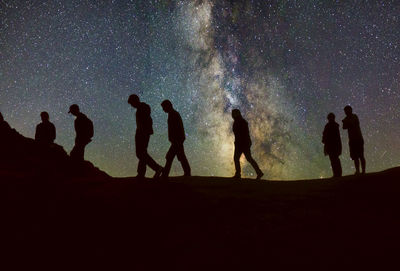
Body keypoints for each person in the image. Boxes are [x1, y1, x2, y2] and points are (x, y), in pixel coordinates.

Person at [128, 94, 163, 179]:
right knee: (142, 153)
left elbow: (147, 121)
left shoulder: (143, 107)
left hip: (143, 133)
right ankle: (141, 173)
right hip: (142, 133)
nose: (132, 106)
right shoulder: (142, 108)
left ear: (135, 101)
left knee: (141, 153)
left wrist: (143, 132)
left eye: (132, 103)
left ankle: (157, 168)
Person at [160, 100, 191, 178]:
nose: (163, 109)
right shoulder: (172, 114)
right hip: (177, 141)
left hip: (177, 141)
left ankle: (165, 174)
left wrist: (178, 140)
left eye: (164, 107)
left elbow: (179, 128)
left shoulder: (174, 114)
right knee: (179, 156)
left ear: (168, 106)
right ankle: (187, 173)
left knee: (170, 157)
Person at [231, 109, 263, 179]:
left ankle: (238, 174)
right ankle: (258, 172)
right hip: (241, 143)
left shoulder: (241, 122)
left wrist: (246, 142)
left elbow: (244, 133)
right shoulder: (239, 121)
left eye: (233, 113)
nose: (232, 115)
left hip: (242, 143)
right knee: (246, 158)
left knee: (238, 158)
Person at [342, 105, 365, 174]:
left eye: (347, 110)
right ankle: (358, 170)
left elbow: (353, 124)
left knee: (361, 155)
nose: (346, 112)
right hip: (352, 140)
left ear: (350, 110)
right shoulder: (346, 118)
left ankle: (363, 170)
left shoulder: (354, 116)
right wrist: (345, 122)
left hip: (358, 138)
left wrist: (346, 122)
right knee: (355, 156)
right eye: (345, 111)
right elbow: (344, 127)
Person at [322, 113, 342, 177]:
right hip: (331, 145)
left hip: (333, 145)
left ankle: (337, 174)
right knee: (333, 160)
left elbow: (337, 137)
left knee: (334, 160)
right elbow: (325, 136)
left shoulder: (332, 126)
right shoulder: (330, 126)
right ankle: (337, 174)